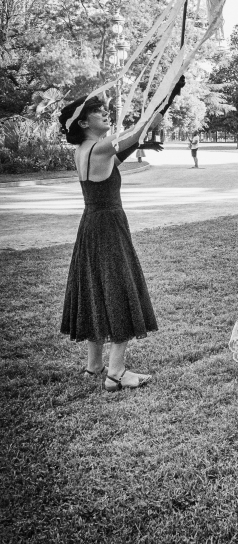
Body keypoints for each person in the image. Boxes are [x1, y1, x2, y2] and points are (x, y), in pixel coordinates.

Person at [58, 96, 163, 392]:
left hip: (91, 225)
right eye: (97, 112)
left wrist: (141, 138)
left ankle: (94, 365)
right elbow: (137, 130)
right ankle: (116, 373)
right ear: (83, 122)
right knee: (119, 290)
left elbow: (118, 156)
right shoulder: (99, 147)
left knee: (96, 290)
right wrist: (161, 104)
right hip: (108, 227)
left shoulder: (86, 150)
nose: (105, 113)